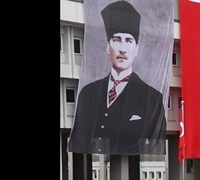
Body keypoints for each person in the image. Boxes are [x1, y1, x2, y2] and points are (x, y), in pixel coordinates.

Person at [68, 0, 166, 155]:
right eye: (116, 40)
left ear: (136, 48)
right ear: (108, 47)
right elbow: (81, 138)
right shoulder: (88, 94)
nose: (122, 49)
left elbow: (155, 143)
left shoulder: (152, 98)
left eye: (129, 41)